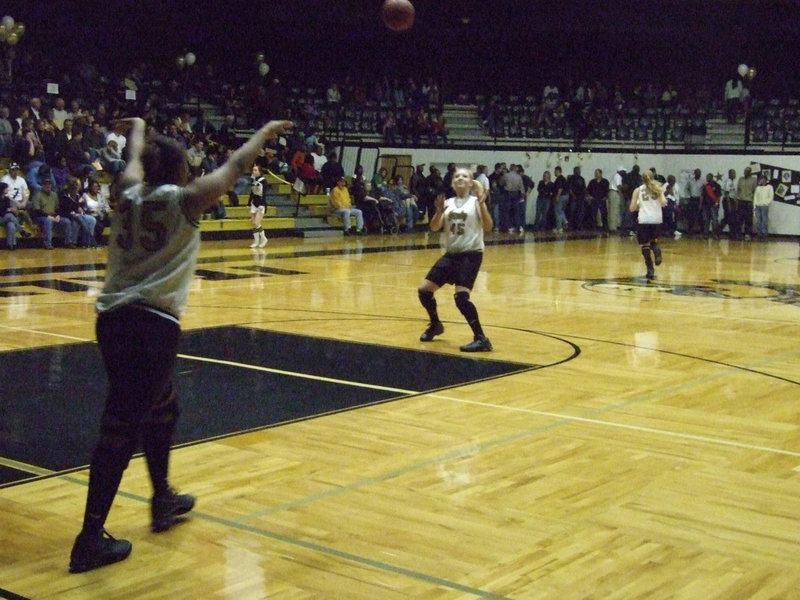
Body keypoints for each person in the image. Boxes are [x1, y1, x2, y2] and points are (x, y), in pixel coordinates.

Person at [68, 117, 293, 573]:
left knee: (163, 407)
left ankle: (162, 497)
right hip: (151, 326)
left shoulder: (128, 191)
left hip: (112, 321)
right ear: (178, 170)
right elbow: (235, 164)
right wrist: (263, 132)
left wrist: (138, 128)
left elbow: (132, 158)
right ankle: (89, 538)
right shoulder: (184, 200)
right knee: (120, 428)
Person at [417, 167, 493, 352]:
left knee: (461, 298)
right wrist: (437, 211)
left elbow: (489, 226)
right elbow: (434, 227)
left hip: (471, 254)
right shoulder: (448, 203)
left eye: (464, 176)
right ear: (452, 182)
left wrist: (483, 205)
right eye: (457, 176)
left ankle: (481, 338)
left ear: (470, 182)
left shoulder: (476, 202)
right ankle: (435, 325)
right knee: (424, 291)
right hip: (451, 254)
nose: (460, 178)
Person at [629, 169, 667, 280]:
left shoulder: (638, 190)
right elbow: (664, 202)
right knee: (653, 241)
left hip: (644, 219)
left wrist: (638, 204)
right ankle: (657, 251)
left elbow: (632, 208)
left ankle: (650, 270)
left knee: (645, 245)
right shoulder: (658, 189)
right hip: (656, 219)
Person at [248, 164, 269, 248]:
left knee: (257, 223)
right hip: (254, 203)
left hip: (261, 204)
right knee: (254, 223)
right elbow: (252, 193)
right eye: (253, 170)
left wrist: (262, 204)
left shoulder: (264, 181)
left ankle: (264, 239)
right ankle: (256, 241)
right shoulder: (253, 181)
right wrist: (248, 203)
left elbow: (264, 194)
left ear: (260, 172)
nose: (254, 171)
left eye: (255, 170)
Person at [753, 175, 773, 240]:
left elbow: (771, 197)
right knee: (758, 221)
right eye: (760, 179)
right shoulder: (758, 188)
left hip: (764, 206)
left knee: (764, 220)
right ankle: (759, 234)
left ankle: (764, 234)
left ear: (765, 180)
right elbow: (755, 197)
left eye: (762, 179)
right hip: (758, 206)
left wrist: (766, 203)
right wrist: (755, 205)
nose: (761, 180)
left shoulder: (769, 187)